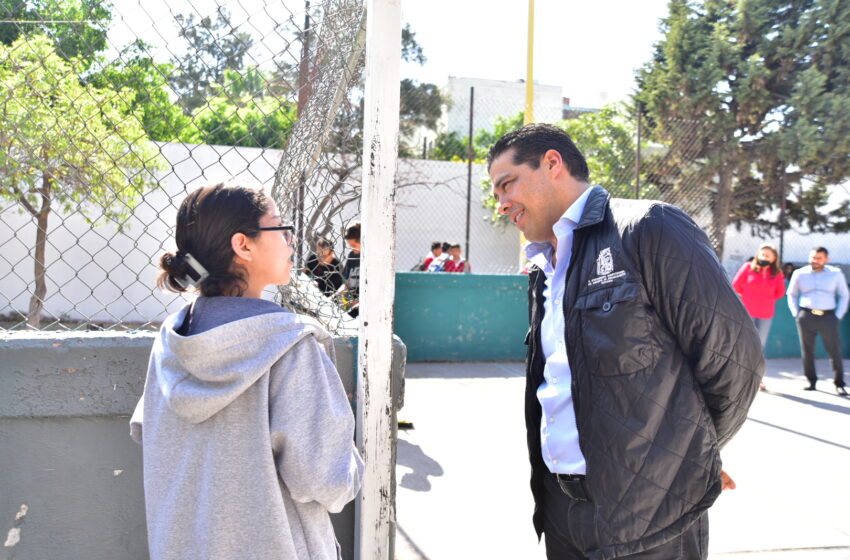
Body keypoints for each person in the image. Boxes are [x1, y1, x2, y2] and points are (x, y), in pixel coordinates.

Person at [487, 124, 763, 560]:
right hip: (561, 512)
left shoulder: (648, 228)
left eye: (507, 184)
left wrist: (685, 458)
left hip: (652, 517)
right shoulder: (543, 266)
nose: (501, 203)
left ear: (552, 164)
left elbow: (734, 360)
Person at [129, 184, 363, 560]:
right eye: (280, 229)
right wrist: (347, 458)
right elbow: (326, 480)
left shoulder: (169, 346)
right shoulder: (291, 347)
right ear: (243, 245)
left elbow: (153, 440)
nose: (291, 241)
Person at [786, 247, 849, 395]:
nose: (815, 260)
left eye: (819, 258)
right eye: (813, 257)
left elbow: (845, 295)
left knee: (834, 351)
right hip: (806, 316)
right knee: (807, 351)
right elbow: (791, 294)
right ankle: (811, 381)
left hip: (828, 317)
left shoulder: (835, 274)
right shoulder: (799, 273)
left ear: (826, 259)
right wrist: (796, 313)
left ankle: (839, 383)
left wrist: (838, 316)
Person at [732, 244, 786, 391]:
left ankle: (757, 379)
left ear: (774, 258)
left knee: (759, 347)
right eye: (762, 254)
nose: (764, 257)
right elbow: (736, 286)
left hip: (765, 314)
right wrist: (749, 298)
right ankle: (738, 378)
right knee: (743, 344)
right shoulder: (748, 267)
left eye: (767, 256)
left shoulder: (777, 273)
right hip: (746, 313)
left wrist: (765, 299)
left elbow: (780, 293)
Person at [338, 222, 361, 317]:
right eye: (350, 245)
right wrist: (338, 295)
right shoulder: (352, 255)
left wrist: (358, 302)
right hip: (351, 302)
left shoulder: (369, 259)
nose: (352, 248)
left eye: (354, 245)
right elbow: (346, 282)